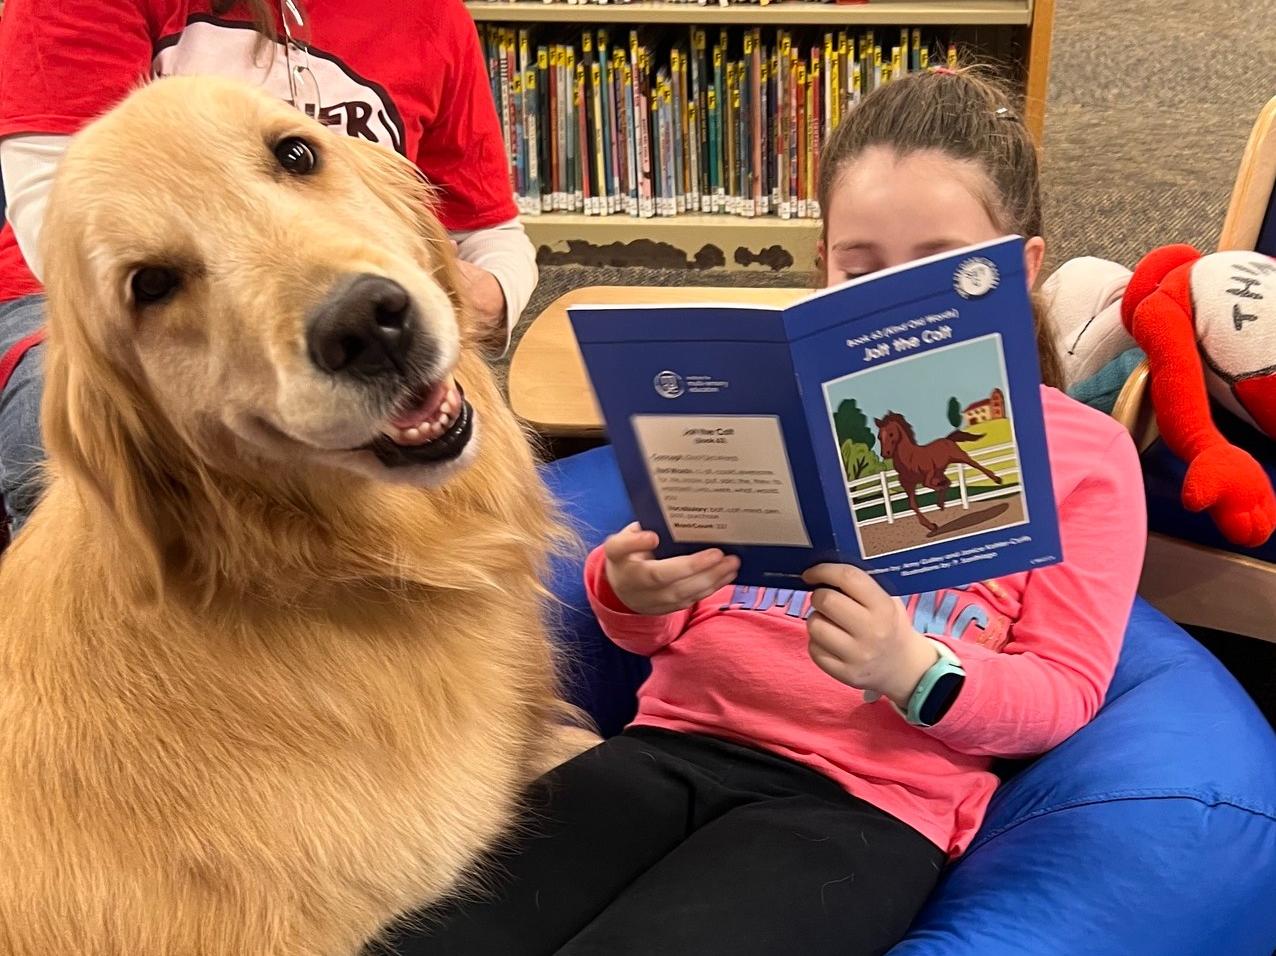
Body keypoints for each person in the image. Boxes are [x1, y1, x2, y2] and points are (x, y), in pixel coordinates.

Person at [378, 68, 1147, 956]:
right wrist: (630, 589)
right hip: (669, 745)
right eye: (858, 269)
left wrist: (912, 666)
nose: (891, 299)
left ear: (1019, 270)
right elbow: (656, 616)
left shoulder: (1084, 456)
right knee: (429, 935)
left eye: (937, 269)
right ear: (825, 260)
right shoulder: (774, 393)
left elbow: (1064, 690)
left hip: (863, 808)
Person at [0, 0, 535, 532]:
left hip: (381, 272)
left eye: (295, 157)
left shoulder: (430, 13)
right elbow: (65, 234)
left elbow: (487, 229)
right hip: (61, 307)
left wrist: (483, 294)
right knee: (58, 463)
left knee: (497, 462)